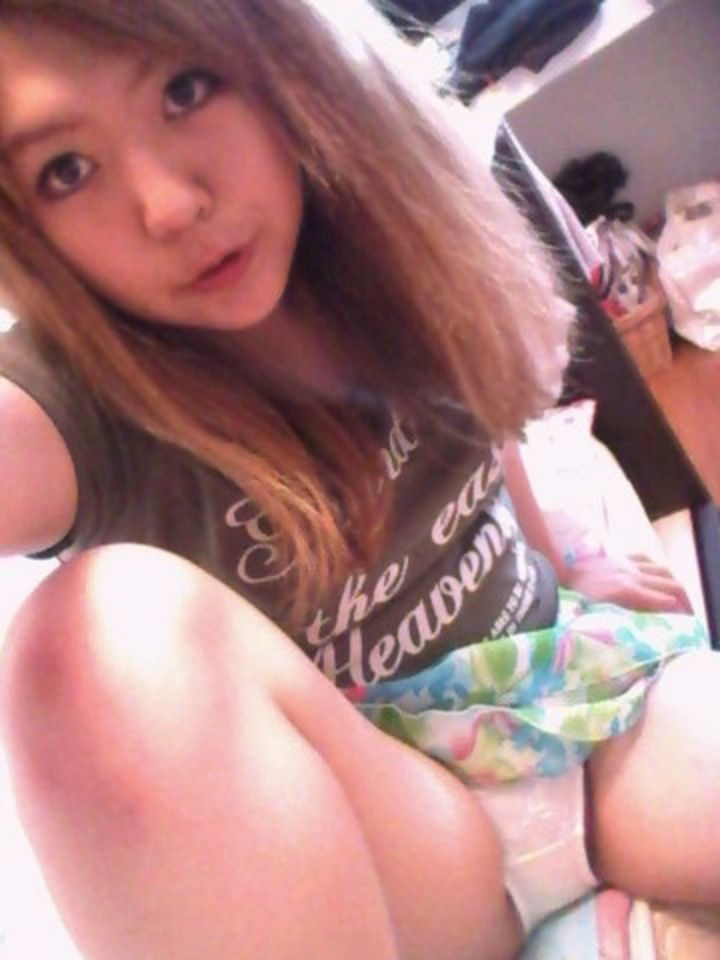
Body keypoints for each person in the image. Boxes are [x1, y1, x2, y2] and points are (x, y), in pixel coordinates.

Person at [0, 2, 716, 959]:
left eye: (185, 88)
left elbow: (485, 425)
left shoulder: (392, 231)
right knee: (92, 636)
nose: (167, 203)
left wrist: (560, 566)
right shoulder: (70, 402)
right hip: (395, 837)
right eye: (65, 170)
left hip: (560, 698)